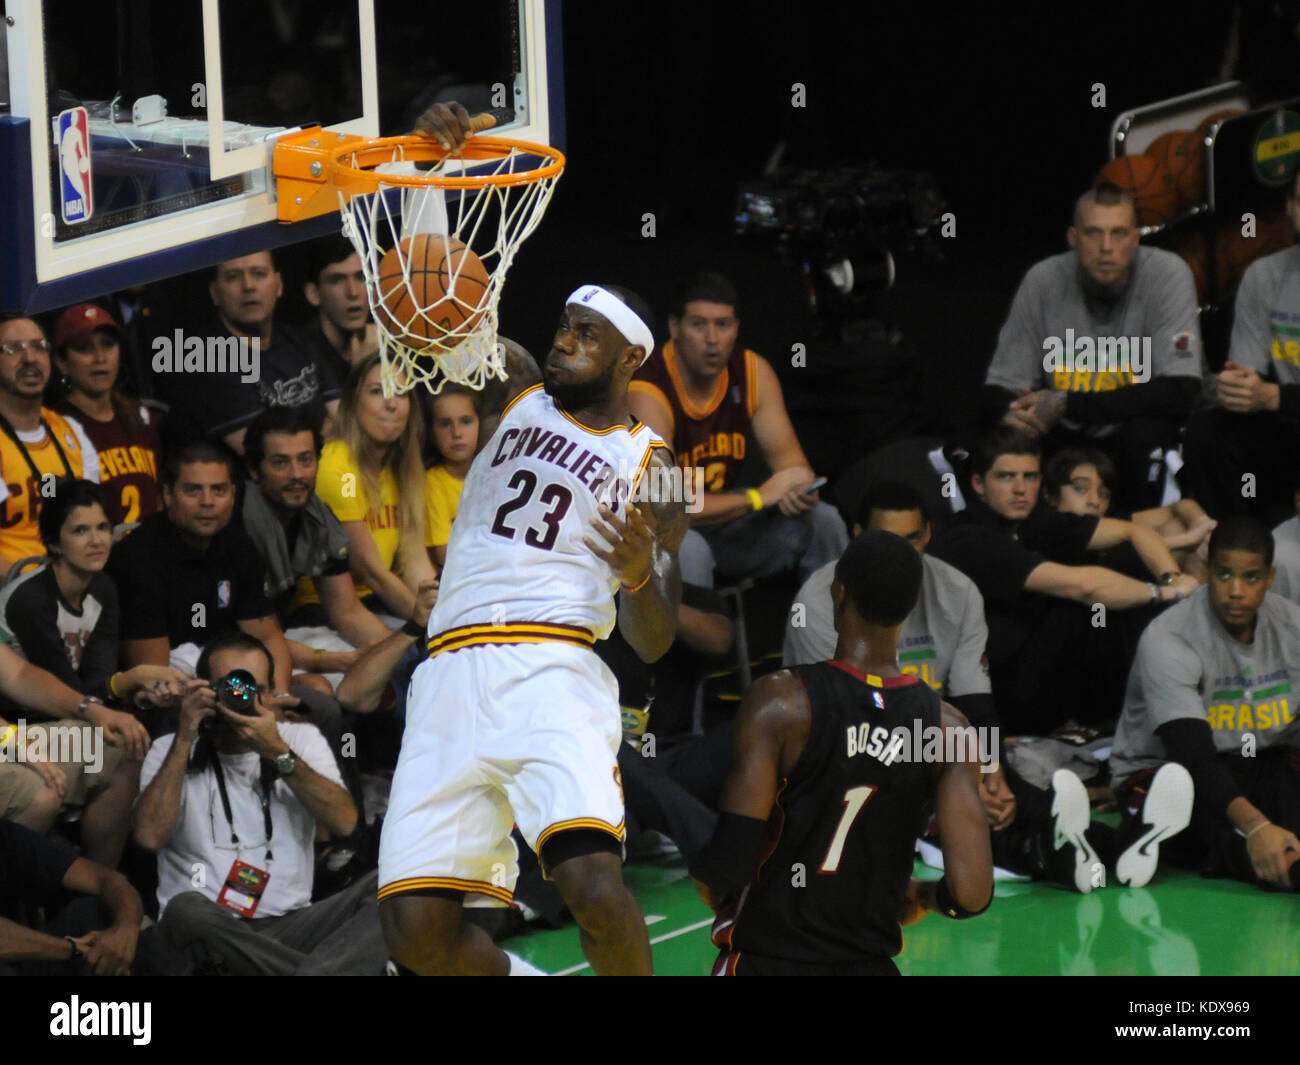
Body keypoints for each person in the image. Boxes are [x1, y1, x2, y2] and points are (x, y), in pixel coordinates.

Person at [377, 130, 687, 968]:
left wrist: (635, 573)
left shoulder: (652, 466)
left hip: (552, 667)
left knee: (591, 882)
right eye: (565, 322)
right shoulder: (513, 386)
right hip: (448, 670)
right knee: (414, 934)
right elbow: (437, 310)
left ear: (629, 355)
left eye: (589, 331)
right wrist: (435, 173)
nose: (566, 336)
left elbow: (659, 633)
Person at [691, 530, 993, 975]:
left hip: (766, 961)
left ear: (839, 592)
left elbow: (727, 866)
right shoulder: (951, 731)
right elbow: (970, 894)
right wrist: (926, 897)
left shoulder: (782, 704)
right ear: (911, 606)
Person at [134, 632, 387, 975]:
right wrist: (184, 736)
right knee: (186, 909)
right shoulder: (169, 749)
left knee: (391, 887)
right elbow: (149, 837)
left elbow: (345, 822)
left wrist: (277, 752)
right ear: (203, 689)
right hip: (210, 932)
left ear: (270, 694)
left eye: (251, 687)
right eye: (227, 686)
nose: (239, 697)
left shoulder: (299, 739)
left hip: (291, 926)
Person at [927, 427, 1200, 733]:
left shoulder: (1033, 522)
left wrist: (1174, 578)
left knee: (1122, 562)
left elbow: (1133, 531)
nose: (1020, 488)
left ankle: (1152, 709)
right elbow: (1083, 586)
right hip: (992, 694)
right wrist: (1165, 593)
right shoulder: (966, 539)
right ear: (978, 484)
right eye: (1006, 477)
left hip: (1034, 671)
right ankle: (1123, 718)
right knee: (1085, 598)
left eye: (1030, 477)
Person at [981, 182, 1202, 513]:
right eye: (1093, 233)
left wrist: (1066, 403)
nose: (1106, 247)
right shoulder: (1042, 280)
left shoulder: (1167, 275)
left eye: (1118, 233)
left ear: (1136, 238)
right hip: (1060, 432)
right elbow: (1001, 387)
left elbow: (1182, 389)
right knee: (997, 436)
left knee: (1147, 432)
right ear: (1073, 238)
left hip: (1133, 433)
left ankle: (1137, 535)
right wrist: (1017, 416)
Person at [1109, 517, 1300, 893]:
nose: (1236, 591)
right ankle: (1278, 867)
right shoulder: (1169, 636)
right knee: (1217, 830)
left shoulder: (1293, 626)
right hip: (1169, 772)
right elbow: (1192, 754)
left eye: (1251, 577)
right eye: (1224, 574)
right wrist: (1257, 827)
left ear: (1270, 578)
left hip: (1262, 761)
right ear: (1208, 571)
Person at [629, 270, 847, 587]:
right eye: (699, 324)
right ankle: (706, 633)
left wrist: (800, 492)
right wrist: (758, 498)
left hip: (725, 519)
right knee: (692, 550)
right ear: (675, 327)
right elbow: (665, 506)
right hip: (657, 529)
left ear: (736, 328)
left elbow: (795, 470)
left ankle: (826, 630)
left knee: (824, 520)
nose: (713, 339)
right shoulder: (649, 388)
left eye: (723, 324)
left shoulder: (751, 371)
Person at [107, 441, 307, 719]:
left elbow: (268, 636)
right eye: (193, 490)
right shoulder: (138, 558)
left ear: (233, 495)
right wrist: (243, 700)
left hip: (234, 678)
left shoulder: (238, 545)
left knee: (318, 704)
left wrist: (278, 696)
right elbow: (156, 678)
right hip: (172, 697)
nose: (208, 502)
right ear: (167, 494)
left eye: (219, 490)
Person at [0, 479, 187, 711]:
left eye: (103, 527)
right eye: (80, 531)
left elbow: (100, 679)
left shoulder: (103, 587)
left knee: (160, 709)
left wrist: (140, 696)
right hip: (23, 721)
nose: (96, 541)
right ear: (54, 543)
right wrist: (131, 678)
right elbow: (65, 694)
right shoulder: (30, 598)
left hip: (77, 708)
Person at [1182, 167, 1300, 527]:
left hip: (1287, 405)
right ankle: (1226, 541)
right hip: (1288, 420)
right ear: (1290, 208)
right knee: (1210, 429)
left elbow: (1271, 397)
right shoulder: (1265, 275)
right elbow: (1247, 375)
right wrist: (1237, 388)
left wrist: (1274, 397)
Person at [241, 406, 391, 680]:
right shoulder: (238, 523)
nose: (296, 474)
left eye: (305, 460)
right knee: (332, 686)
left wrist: (398, 653)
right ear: (254, 469)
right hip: (226, 649)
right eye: (280, 463)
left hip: (279, 641)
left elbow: (348, 611)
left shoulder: (317, 517)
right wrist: (338, 661)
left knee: (395, 669)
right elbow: (251, 635)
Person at [159, 251, 342, 455]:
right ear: (214, 293)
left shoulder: (298, 341)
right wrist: (324, 430)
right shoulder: (206, 358)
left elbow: (344, 422)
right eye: (233, 277)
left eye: (259, 273)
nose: (248, 286)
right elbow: (265, 456)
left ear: (279, 284)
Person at [0, 622, 151, 866]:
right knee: (40, 792)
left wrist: (91, 710)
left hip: (6, 736)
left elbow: (18, 675)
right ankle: (21, 897)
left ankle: (95, 890)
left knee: (119, 743)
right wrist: (15, 740)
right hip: (5, 736)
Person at [312, 353, 440, 623]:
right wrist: (431, 625)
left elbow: (415, 562)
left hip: (380, 603)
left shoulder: (403, 470)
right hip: (327, 611)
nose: (391, 404)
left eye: (401, 393)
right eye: (376, 391)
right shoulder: (339, 471)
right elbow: (372, 572)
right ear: (352, 402)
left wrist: (446, 613)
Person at [0, 817, 173, 976]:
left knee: (93, 911)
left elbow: (109, 880)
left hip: (43, 957)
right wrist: (77, 950)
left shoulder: (7, 836)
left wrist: (125, 929)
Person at [51, 303, 163, 527]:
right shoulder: (53, 426)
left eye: (108, 345)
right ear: (62, 362)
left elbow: (158, 494)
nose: (100, 358)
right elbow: (47, 498)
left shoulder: (140, 415)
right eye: (84, 348)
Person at [0, 315, 97, 570]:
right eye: (13, 349)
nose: (30, 358)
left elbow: (93, 518)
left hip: (73, 581)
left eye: (39, 346)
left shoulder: (71, 431)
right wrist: (36, 590)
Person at [1042, 446, 1215, 580]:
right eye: (1080, 489)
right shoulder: (1045, 528)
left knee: (1181, 527)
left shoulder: (1108, 522)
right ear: (1050, 496)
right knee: (1182, 536)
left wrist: (1200, 522)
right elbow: (1131, 545)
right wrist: (1190, 539)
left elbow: (1178, 507)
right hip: (1084, 615)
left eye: (1104, 494)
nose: (1094, 501)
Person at [300, 235, 378, 382]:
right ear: (313, 294)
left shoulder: (390, 340)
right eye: (337, 280)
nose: (353, 292)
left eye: (361, 278)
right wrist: (364, 370)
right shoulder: (300, 357)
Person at [425, 384, 480, 568]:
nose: (456, 433)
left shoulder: (496, 476)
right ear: (431, 432)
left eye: (465, 421)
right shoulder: (431, 484)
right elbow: (445, 557)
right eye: (445, 424)